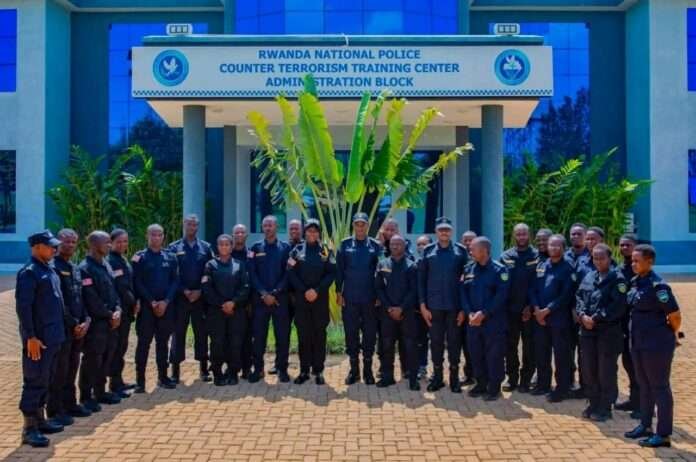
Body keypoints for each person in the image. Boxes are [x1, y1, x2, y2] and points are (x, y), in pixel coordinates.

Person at [624, 245, 681, 448]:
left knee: (660, 387)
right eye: (632, 260)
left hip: (656, 344)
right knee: (644, 384)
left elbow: (674, 316)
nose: (633, 264)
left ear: (650, 262)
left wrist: (670, 334)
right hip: (638, 342)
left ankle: (663, 434)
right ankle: (645, 425)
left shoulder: (659, 287)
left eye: (637, 261)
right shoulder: (635, 282)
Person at [16, 231, 66, 447]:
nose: (54, 249)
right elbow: (24, 308)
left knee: (46, 379)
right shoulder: (29, 273)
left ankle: (40, 420)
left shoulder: (48, 269)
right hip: (38, 340)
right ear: (37, 247)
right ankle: (29, 429)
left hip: (53, 337)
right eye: (50, 246)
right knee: (34, 381)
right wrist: (31, 337)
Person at [575, 243, 627, 421]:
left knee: (606, 371)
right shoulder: (590, 276)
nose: (598, 261)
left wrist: (595, 318)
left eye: (601, 258)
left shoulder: (618, 279)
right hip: (587, 331)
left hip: (607, 332)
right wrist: (582, 315)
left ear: (609, 258)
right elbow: (579, 297)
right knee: (588, 369)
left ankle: (605, 407)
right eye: (595, 258)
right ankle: (593, 402)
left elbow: (617, 306)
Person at [419, 217, 468, 393]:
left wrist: (464, 309)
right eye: (441, 229)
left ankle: (454, 379)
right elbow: (421, 280)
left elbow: (467, 281)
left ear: (451, 231)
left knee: (454, 343)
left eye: (447, 229)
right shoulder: (428, 251)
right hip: (434, 307)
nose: (444, 232)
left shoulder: (461, 251)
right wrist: (423, 305)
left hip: (454, 306)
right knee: (436, 343)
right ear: (436, 231)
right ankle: (438, 378)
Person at [47, 229, 91, 427]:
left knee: (72, 367)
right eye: (67, 241)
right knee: (60, 370)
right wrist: (74, 323)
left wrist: (85, 320)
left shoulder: (74, 268)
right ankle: (55, 410)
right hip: (63, 328)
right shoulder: (53, 268)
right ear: (57, 243)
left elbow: (80, 297)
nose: (71, 245)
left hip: (78, 329)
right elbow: (59, 302)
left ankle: (70, 404)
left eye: (74, 242)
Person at [460, 237, 510, 401]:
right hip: (473, 322)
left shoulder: (499, 270)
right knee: (476, 353)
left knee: (494, 355)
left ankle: (494, 387)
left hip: (493, 322)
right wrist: (469, 313)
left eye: (473, 249)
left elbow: (501, 296)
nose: (470, 252)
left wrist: (484, 313)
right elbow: (463, 293)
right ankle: (481, 383)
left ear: (484, 251)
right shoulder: (468, 269)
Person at [529, 234, 577, 402]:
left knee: (561, 355)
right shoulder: (541, 266)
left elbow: (566, 295)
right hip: (540, 318)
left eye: (557, 245)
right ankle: (543, 384)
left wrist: (547, 310)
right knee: (541, 353)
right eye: (551, 245)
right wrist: (537, 309)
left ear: (564, 248)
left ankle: (562, 389)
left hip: (559, 319)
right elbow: (532, 289)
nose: (553, 248)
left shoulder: (568, 268)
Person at [288, 219, 336, 385]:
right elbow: (290, 272)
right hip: (302, 300)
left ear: (319, 233)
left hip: (320, 299)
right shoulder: (296, 251)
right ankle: (304, 370)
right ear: (305, 232)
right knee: (303, 335)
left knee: (319, 335)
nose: (312, 234)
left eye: (315, 231)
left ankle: (318, 370)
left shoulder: (325, 251)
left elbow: (331, 273)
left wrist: (317, 290)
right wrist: (304, 290)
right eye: (309, 231)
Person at [336, 212, 382, 385]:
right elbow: (339, 271)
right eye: (357, 224)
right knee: (351, 334)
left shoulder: (376, 246)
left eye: (363, 224)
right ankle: (354, 371)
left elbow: (380, 272)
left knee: (369, 335)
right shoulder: (345, 244)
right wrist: (338, 293)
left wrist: (379, 295)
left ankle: (368, 371)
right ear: (353, 226)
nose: (360, 227)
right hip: (350, 298)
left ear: (368, 226)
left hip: (370, 299)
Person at [78, 231, 122, 411]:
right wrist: (109, 315)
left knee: (106, 357)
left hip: (110, 322)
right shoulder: (85, 268)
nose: (109, 245)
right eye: (106, 242)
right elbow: (91, 299)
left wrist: (118, 310)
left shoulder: (106, 264)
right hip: (97, 324)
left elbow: (114, 291)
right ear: (94, 244)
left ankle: (100, 392)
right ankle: (86, 396)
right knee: (92, 359)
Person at [132, 224, 179, 392]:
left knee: (162, 343)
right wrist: (151, 301)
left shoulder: (171, 257)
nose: (156, 238)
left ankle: (163, 377)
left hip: (166, 308)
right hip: (147, 309)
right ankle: (140, 381)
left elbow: (175, 281)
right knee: (143, 344)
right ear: (147, 236)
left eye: (159, 235)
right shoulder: (139, 257)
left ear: (163, 236)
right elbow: (137, 281)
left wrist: (166, 301)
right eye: (153, 234)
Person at [168, 215, 214, 383]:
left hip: (200, 299)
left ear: (198, 227)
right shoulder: (174, 247)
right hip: (181, 299)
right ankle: (175, 371)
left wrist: (200, 290)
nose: (191, 227)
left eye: (194, 225)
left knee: (201, 333)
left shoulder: (206, 247)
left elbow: (210, 272)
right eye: (189, 224)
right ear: (184, 225)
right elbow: (171, 273)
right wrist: (184, 290)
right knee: (178, 333)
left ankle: (203, 369)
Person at [248, 215, 292, 383]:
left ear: (276, 227)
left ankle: (282, 369)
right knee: (259, 337)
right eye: (265, 225)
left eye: (270, 225)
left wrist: (274, 292)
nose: (268, 228)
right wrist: (264, 293)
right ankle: (258, 369)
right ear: (262, 228)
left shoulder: (286, 248)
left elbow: (288, 273)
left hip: (280, 300)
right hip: (260, 301)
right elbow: (252, 273)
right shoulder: (255, 248)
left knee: (282, 336)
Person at [202, 234, 250, 386]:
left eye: (227, 244)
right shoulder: (210, 265)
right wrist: (222, 304)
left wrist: (233, 303)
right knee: (217, 343)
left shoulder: (239, 265)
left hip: (236, 311)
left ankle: (233, 372)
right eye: (221, 244)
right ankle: (217, 373)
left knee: (235, 343)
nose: (224, 247)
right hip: (216, 312)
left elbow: (245, 287)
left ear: (231, 247)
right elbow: (207, 288)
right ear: (217, 247)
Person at [375, 234, 419, 390]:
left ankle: (413, 379)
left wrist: (401, 308)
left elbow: (414, 291)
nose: (394, 246)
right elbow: (379, 288)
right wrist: (389, 307)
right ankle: (388, 377)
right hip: (387, 313)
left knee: (410, 346)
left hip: (407, 313)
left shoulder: (412, 266)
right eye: (392, 244)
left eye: (398, 244)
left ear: (404, 246)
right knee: (387, 345)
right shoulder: (382, 264)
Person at [500, 223, 538, 393]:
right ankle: (512, 378)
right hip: (510, 310)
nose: (521, 237)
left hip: (530, 310)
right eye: (518, 234)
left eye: (524, 234)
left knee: (530, 347)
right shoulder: (506, 256)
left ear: (529, 235)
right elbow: (502, 283)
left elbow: (538, 284)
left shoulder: (537, 256)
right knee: (510, 346)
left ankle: (526, 379)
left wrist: (530, 306)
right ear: (514, 235)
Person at [107, 228, 138, 398]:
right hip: (118, 311)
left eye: (125, 241)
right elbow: (121, 288)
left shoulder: (123, 259)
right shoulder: (111, 261)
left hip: (126, 312)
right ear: (111, 243)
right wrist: (133, 302)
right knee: (115, 348)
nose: (122, 244)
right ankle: (113, 384)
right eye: (118, 241)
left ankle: (118, 381)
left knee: (121, 347)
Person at [615, 233, 640, 417]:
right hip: (623, 325)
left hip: (639, 326)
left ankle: (644, 405)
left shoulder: (641, 270)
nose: (624, 248)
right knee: (628, 363)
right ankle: (634, 399)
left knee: (640, 366)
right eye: (622, 245)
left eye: (628, 245)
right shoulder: (619, 269)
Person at [279, 218, 303, 377]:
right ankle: (280, 364)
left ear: (301, 230)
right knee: (283, 333)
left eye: (296, 228)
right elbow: (283, 271)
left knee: (304, 333)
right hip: (285, 298)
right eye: (291, 229)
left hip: (302, 298)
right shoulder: (284, 248)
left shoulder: (306, 247)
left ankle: (305, 365)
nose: (294, 231)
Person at [231, 224, 254, 380]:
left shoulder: (252, 254)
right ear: (233, 235)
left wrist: (251, 302)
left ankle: (246, 368)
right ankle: (233, 367)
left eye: (242, 232)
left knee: (247, 337)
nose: (239, 235)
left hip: (248, 303)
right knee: (232, 337)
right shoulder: (226, 253)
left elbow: (254, 276)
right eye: (237, 232)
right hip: (231, 303)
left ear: (246, 236)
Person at [414, 234, 432, 379]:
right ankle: (421, 366)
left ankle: (438, 371)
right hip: (418, 309)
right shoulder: (414, 263)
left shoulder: (435, 262)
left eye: (424, 244)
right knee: (420, 339)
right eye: (419, 244)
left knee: (437, 340)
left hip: (435, 308)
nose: (421, 247)